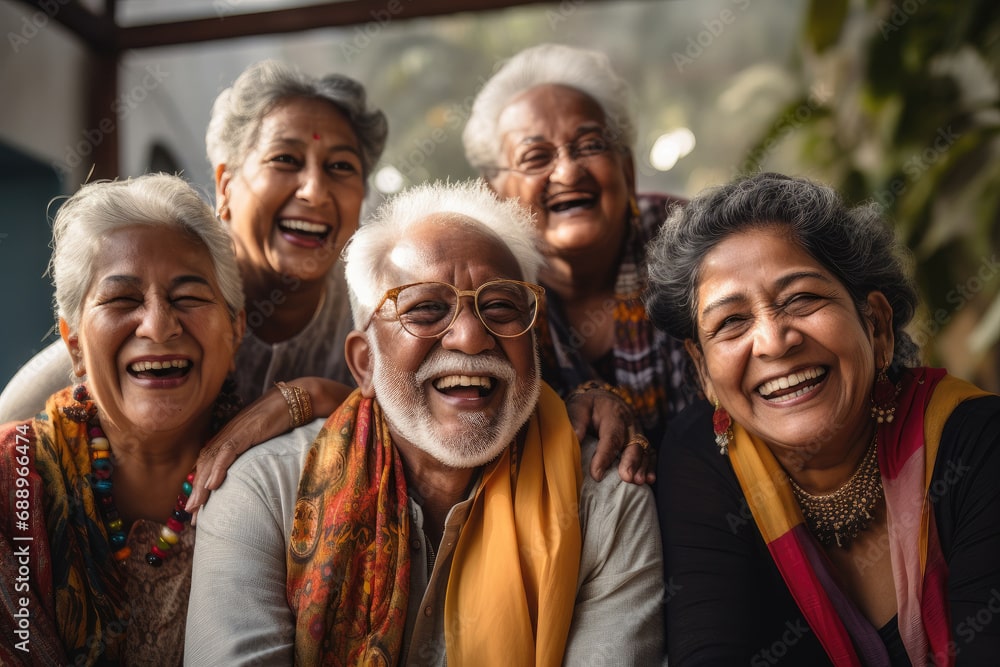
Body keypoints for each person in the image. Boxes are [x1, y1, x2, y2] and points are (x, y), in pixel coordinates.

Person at [184, 180, 665, 665]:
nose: (472, 337)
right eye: (426, 309)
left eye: (500, 305)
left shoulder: (606, 498)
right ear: (364, 363)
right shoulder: (266, 492)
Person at [644, 172, 1000, 665]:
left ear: (875, 325)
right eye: (731, 322)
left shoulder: (979, 443)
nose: (773, 342)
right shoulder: (701, 461)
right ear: (703, 369)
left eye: (802, 299)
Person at [0, 59, 386, 505]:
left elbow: (413, 442)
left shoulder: (375, 316)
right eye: (285, 159)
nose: (315, 191)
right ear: (224, 185)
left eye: (340, 166)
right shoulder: (151, 303)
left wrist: (314, 396)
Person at [0, 173, 246, 666]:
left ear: (235, 332)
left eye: (188, 297)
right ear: (74, 345)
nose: (157, 325)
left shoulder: (285, 478)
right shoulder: (8, 480)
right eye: (122, 299)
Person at [462, 43, 694, 482]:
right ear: (495, 192)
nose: (567, 173)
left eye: (590, 145)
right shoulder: (481, 290)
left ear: (627, 168)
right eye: (536, 157)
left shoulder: (694, 244)